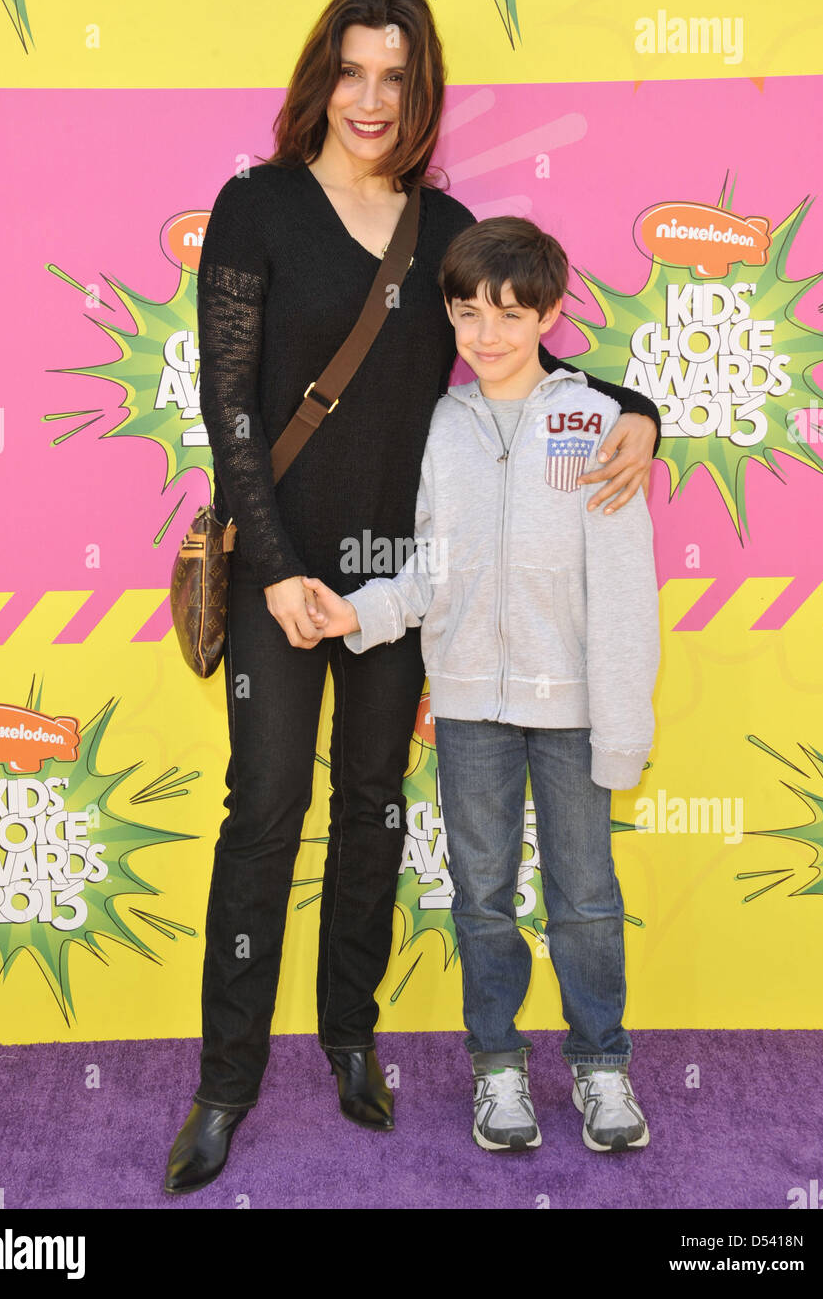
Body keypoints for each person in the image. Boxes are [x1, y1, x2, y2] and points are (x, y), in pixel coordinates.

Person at [165, 0, 661, 1195]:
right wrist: (272, 569)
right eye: (350, 70)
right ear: (318, 76)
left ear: (418, 85)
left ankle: (349, 1038)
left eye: (393, 74)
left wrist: (639, 412)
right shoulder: (253, 208)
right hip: (280, 572)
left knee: (376, 804)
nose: (370, 98)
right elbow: (229, 411)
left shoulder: (445, 232)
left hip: (399, 584)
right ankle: (225, 1082)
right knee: (264, 814)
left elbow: (522, 351)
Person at [304, 215, 660, 1154]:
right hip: (466, 709)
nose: (487, 335)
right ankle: (496, 1068)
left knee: (585, 897)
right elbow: (430, 571)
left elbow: (625, 593)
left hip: (577, 711)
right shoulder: (441, 427)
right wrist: (360, 612)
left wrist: (623, 725)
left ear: (548, 312)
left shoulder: (599, 424)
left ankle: (602, 1066)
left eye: (508, 314)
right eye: (467, 315)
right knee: (482, 897)